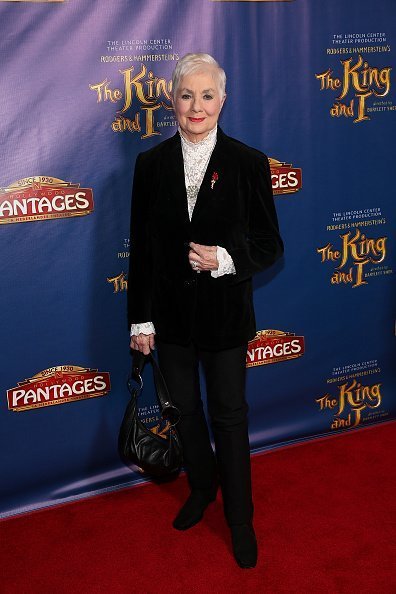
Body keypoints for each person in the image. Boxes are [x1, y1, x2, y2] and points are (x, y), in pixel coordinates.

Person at [128, 53, 283, 568]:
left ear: (223, 101)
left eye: (207, 95)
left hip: (224, 318)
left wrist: (226, 258)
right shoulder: (149, 166)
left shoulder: (248, 163)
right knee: (185, 414)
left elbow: (270, 245)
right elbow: (143, 251)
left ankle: (240, 519)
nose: (197, 106)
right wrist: (141, 319)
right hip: (168, 320)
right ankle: (201, 488)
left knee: (229, 417)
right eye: (187, 95)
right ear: (172, 99)